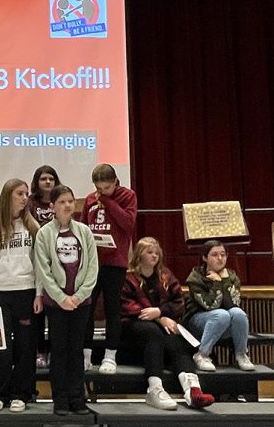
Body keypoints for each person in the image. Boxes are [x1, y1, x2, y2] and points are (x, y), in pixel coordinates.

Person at [121, 237, 215, 410]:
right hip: (133, 327)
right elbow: (128, 306)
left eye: (157, 253)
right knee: (153, 331)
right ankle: (154, 389)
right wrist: (159, 316)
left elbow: (179, 301)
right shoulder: (128, 277)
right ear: (139, 255)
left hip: (161, 326)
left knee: (177, 342)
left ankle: (193, 391)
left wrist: (160, 313)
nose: (154, 256)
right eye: (149, 252)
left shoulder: (165, 275)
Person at [33, 185, 97, 416]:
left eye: (70, 201)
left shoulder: (84, 232)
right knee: (59, 350)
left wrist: (79, 296)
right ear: (52, 207)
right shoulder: (44, 234)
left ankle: (76, 397)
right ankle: (59, 398)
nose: (68, 205)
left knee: (76, 350)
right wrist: (61, 298)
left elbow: (92, 268)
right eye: (62, 202)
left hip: (81, 302)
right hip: (56, 303)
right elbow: (43, 270)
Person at [0, 178, 41, 412]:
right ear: (8, 196)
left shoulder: (32, 227)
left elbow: (39, 263)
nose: (25, 198)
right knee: (1, 345)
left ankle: (21, 394)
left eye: (26, 194)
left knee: (25, 347)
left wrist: (38, 294)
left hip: (26, 293)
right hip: (0, 294)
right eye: (20, 193)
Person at [78, 163, 137, 374]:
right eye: (98, 189)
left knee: (113, 309)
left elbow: (128, 224)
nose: (101, 193)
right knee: (87, 308)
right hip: (92, 262)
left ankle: (110, 355)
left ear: (115, 182)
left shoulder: (127, 196)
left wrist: (108, 202)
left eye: (106, 188)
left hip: (115, 262)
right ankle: (86, 354)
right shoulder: (90, 199)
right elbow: (83, 227)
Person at [183, 240, 255, 372]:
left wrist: (224, 281)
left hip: (223, 321)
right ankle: (202, 354)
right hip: (198, 322)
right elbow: (210, 305)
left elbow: (233, 304)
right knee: (222, 314)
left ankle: (241, 354)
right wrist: (216, 283)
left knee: (238, 313)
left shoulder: (232, 276)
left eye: (223, 254)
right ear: (205, 257)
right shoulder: (195, 277)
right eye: (215, 255)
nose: (220, 258)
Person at [28, 164, 61, 370]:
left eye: (51, 178)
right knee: (37, 311)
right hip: (35, 262)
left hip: (59, 263)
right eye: (43, 179)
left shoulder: (61, 201)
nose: (47, 182)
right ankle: (40, 350)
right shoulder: (30, 203)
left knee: (56, 311)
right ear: (37, 182)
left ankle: (55, 351)